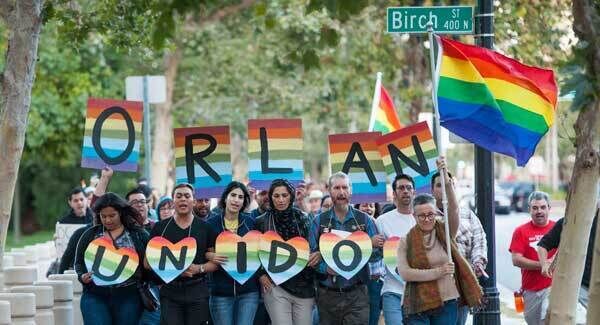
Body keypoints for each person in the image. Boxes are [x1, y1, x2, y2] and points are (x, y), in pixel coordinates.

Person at [397, 157, 482, 324]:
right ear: (414, 216)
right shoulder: (406, 240)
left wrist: (446, 181)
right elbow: (405, 273)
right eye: (421, 215)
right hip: (416, 305)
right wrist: (439, 272)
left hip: (447, 302)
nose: (427, 219)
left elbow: (454, 208)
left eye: (430, 214)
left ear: (435, 213)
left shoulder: (445, 231)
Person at [309, 172, 383, 325]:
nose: (341, 192)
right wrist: (324, 268)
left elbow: (376, 256)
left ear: (351, 191)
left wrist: (371, 245)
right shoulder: (318, 221)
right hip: (327, 295)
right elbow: (311, 257)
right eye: (337, 188)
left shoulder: (365, 220)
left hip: (357, 294)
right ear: (329, 191)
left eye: (344, 187)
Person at [147, 183, 219, 325]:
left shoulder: (206, 228)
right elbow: (147, 263)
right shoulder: (160, 227)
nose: (183, 199)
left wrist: (199, 268)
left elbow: (215, 262)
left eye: (187, 196)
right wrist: (175, 271)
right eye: (178, 196)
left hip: (198, 291)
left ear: (193, 200)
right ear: (173, 201)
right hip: (170, 291)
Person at [74, 193, 149, 325]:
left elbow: (151, 260)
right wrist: (82, 276)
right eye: (104, 216)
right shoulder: (90, 234)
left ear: (120, 213)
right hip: (95, 295)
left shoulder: (138, 234)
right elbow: (79, 262)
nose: (108, 220)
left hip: (129, 297)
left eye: (112, 215)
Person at [254, 179, 320, 325]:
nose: (281, 200)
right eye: (276, 196)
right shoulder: (261, 221)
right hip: (275, 285)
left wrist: (318, 254)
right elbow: (254, 252)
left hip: (304, 286)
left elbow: (315, 246)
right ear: (270, 197)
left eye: (284, 195)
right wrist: (260, 275)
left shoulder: (304, 218)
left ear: (291, 196)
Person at [431, 171, 487, 325]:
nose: (443, 189)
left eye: (448, 185)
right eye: (439, 185)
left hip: (461, 283)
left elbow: (479, 240)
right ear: (432, 190)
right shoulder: (426, 216)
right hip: (436, 285)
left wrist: (478, 263)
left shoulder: (468, 215)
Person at [205, 181, 260, 325]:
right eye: (233, 195)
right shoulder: (211, 224)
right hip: (221, 293)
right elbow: (202, 251)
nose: (236, 200)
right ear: (225, 198)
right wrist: (209, 255)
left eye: (241, 197)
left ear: (244, 202)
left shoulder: (251, 223)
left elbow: (259, 254)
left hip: (249, 292)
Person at [374, 174, 417, 325]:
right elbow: (375, 257)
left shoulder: (423, 220)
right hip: (392, 292)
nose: (405, 191)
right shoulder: (382, 221)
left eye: (409, 188)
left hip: (419, 293)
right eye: (401, 188)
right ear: (394, 194)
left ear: (414, 192)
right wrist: (374, 245)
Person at [509, 191, 556, 325]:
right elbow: (516, 259)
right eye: (535, 208)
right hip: (530, 290)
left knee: (546, 320)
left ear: (549, 208)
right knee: (533, 322)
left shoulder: (557, 228)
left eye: (542, 207)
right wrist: (543, 264)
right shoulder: (521, 231)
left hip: (552, 286)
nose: (539, 211)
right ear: (529, 209)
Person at [355, 202, 383, 325]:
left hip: (375, 280)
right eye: (364, 205)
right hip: (355, 281)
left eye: (371, 206)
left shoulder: (379, 225)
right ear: (358, 207)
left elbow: (380, 253)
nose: (368, 208)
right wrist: (369, 243)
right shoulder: (351, 226)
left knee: (373, 316)